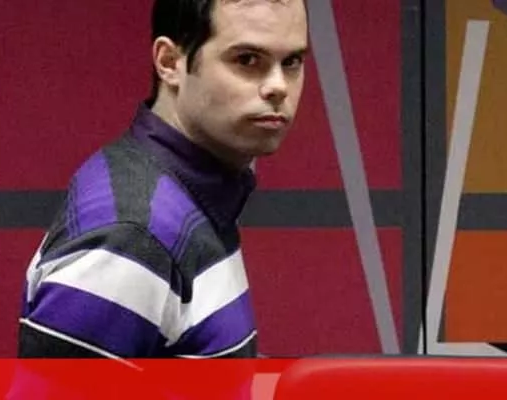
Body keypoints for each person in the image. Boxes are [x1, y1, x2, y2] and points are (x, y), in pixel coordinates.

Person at [16, 0, 308, 360]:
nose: (278, 86)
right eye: (247, 60)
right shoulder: (131, 238)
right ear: (170, 63)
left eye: (291, 61)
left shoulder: (199, 192)